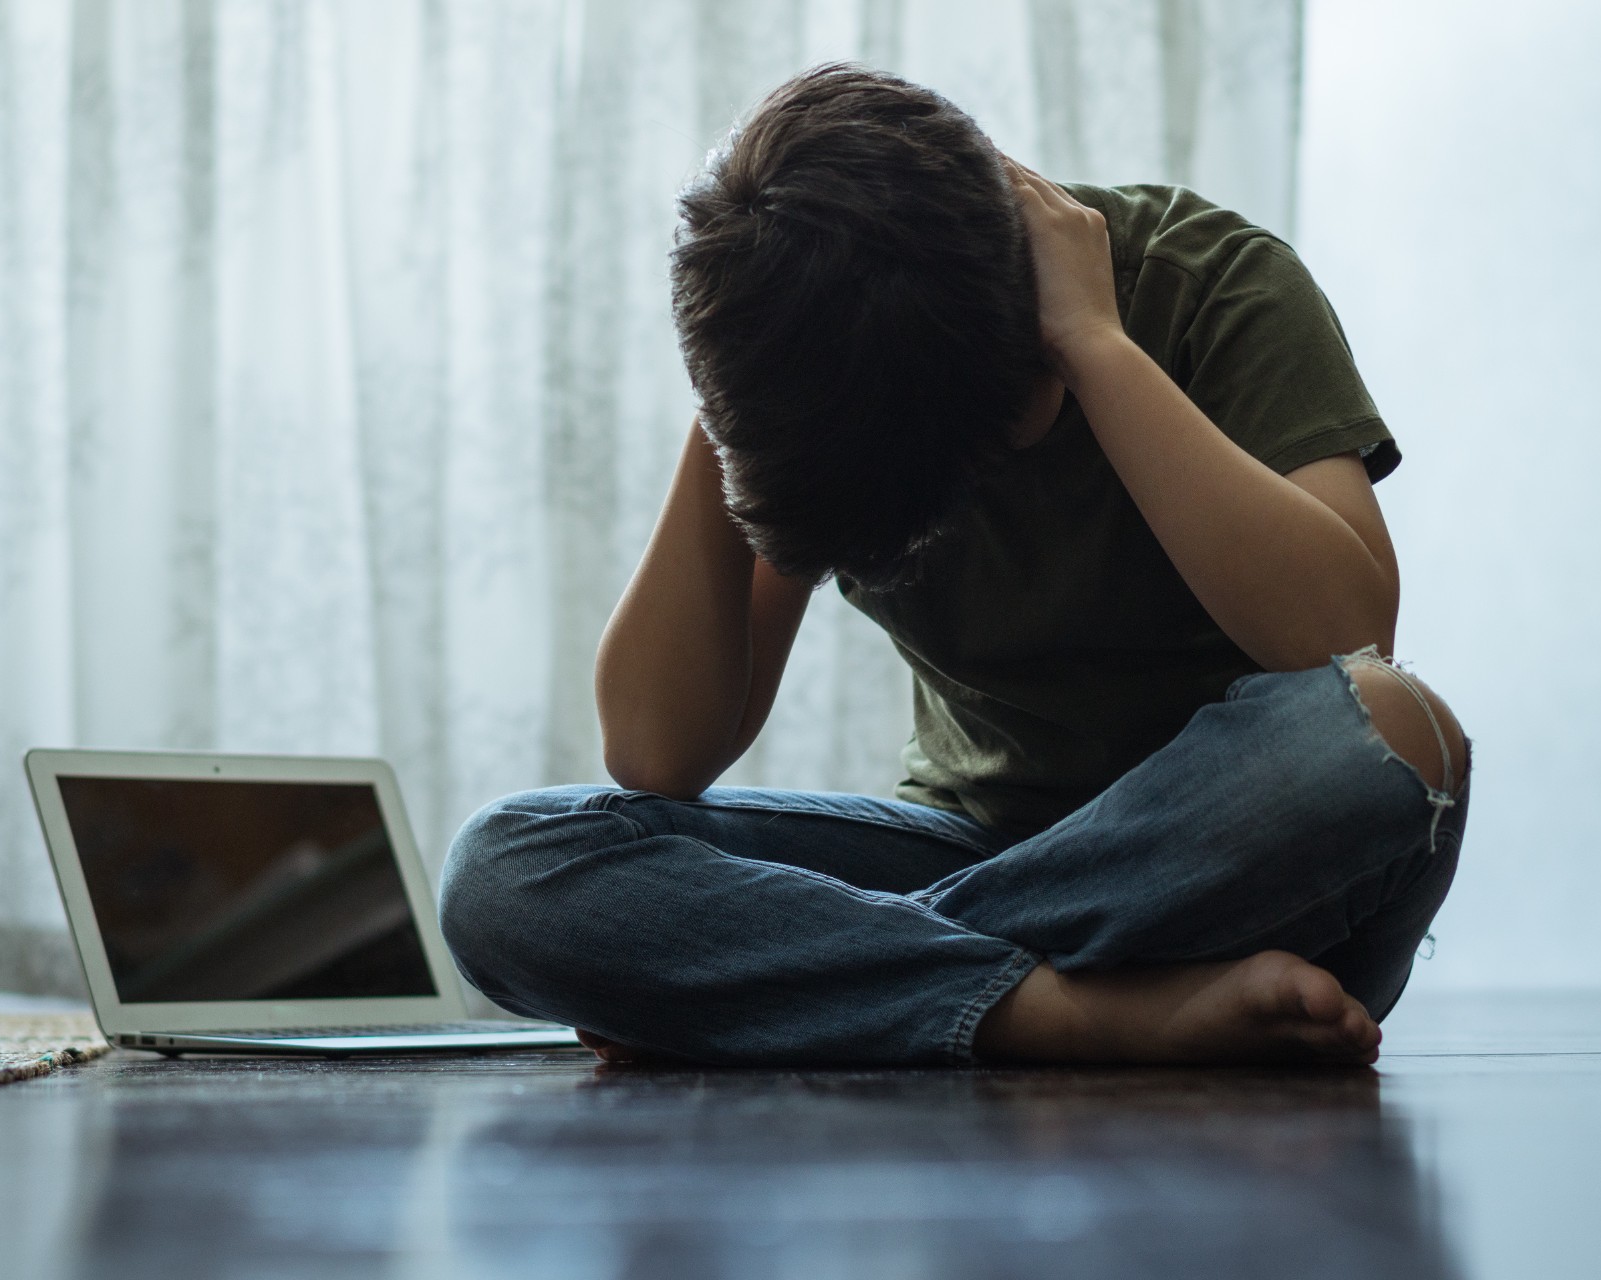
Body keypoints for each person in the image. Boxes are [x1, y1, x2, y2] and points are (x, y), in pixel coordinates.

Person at [438, 64, 1469, 1067]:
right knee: (504, 868)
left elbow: (1344, 635)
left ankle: (840, 988)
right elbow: (659, 755)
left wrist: (1096, 345)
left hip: (1238, 872)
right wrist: (737, 395)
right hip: (982, 848)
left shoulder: (1211, 284)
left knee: (1395, 734)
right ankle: (1062, 1016)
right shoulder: (822, 379)